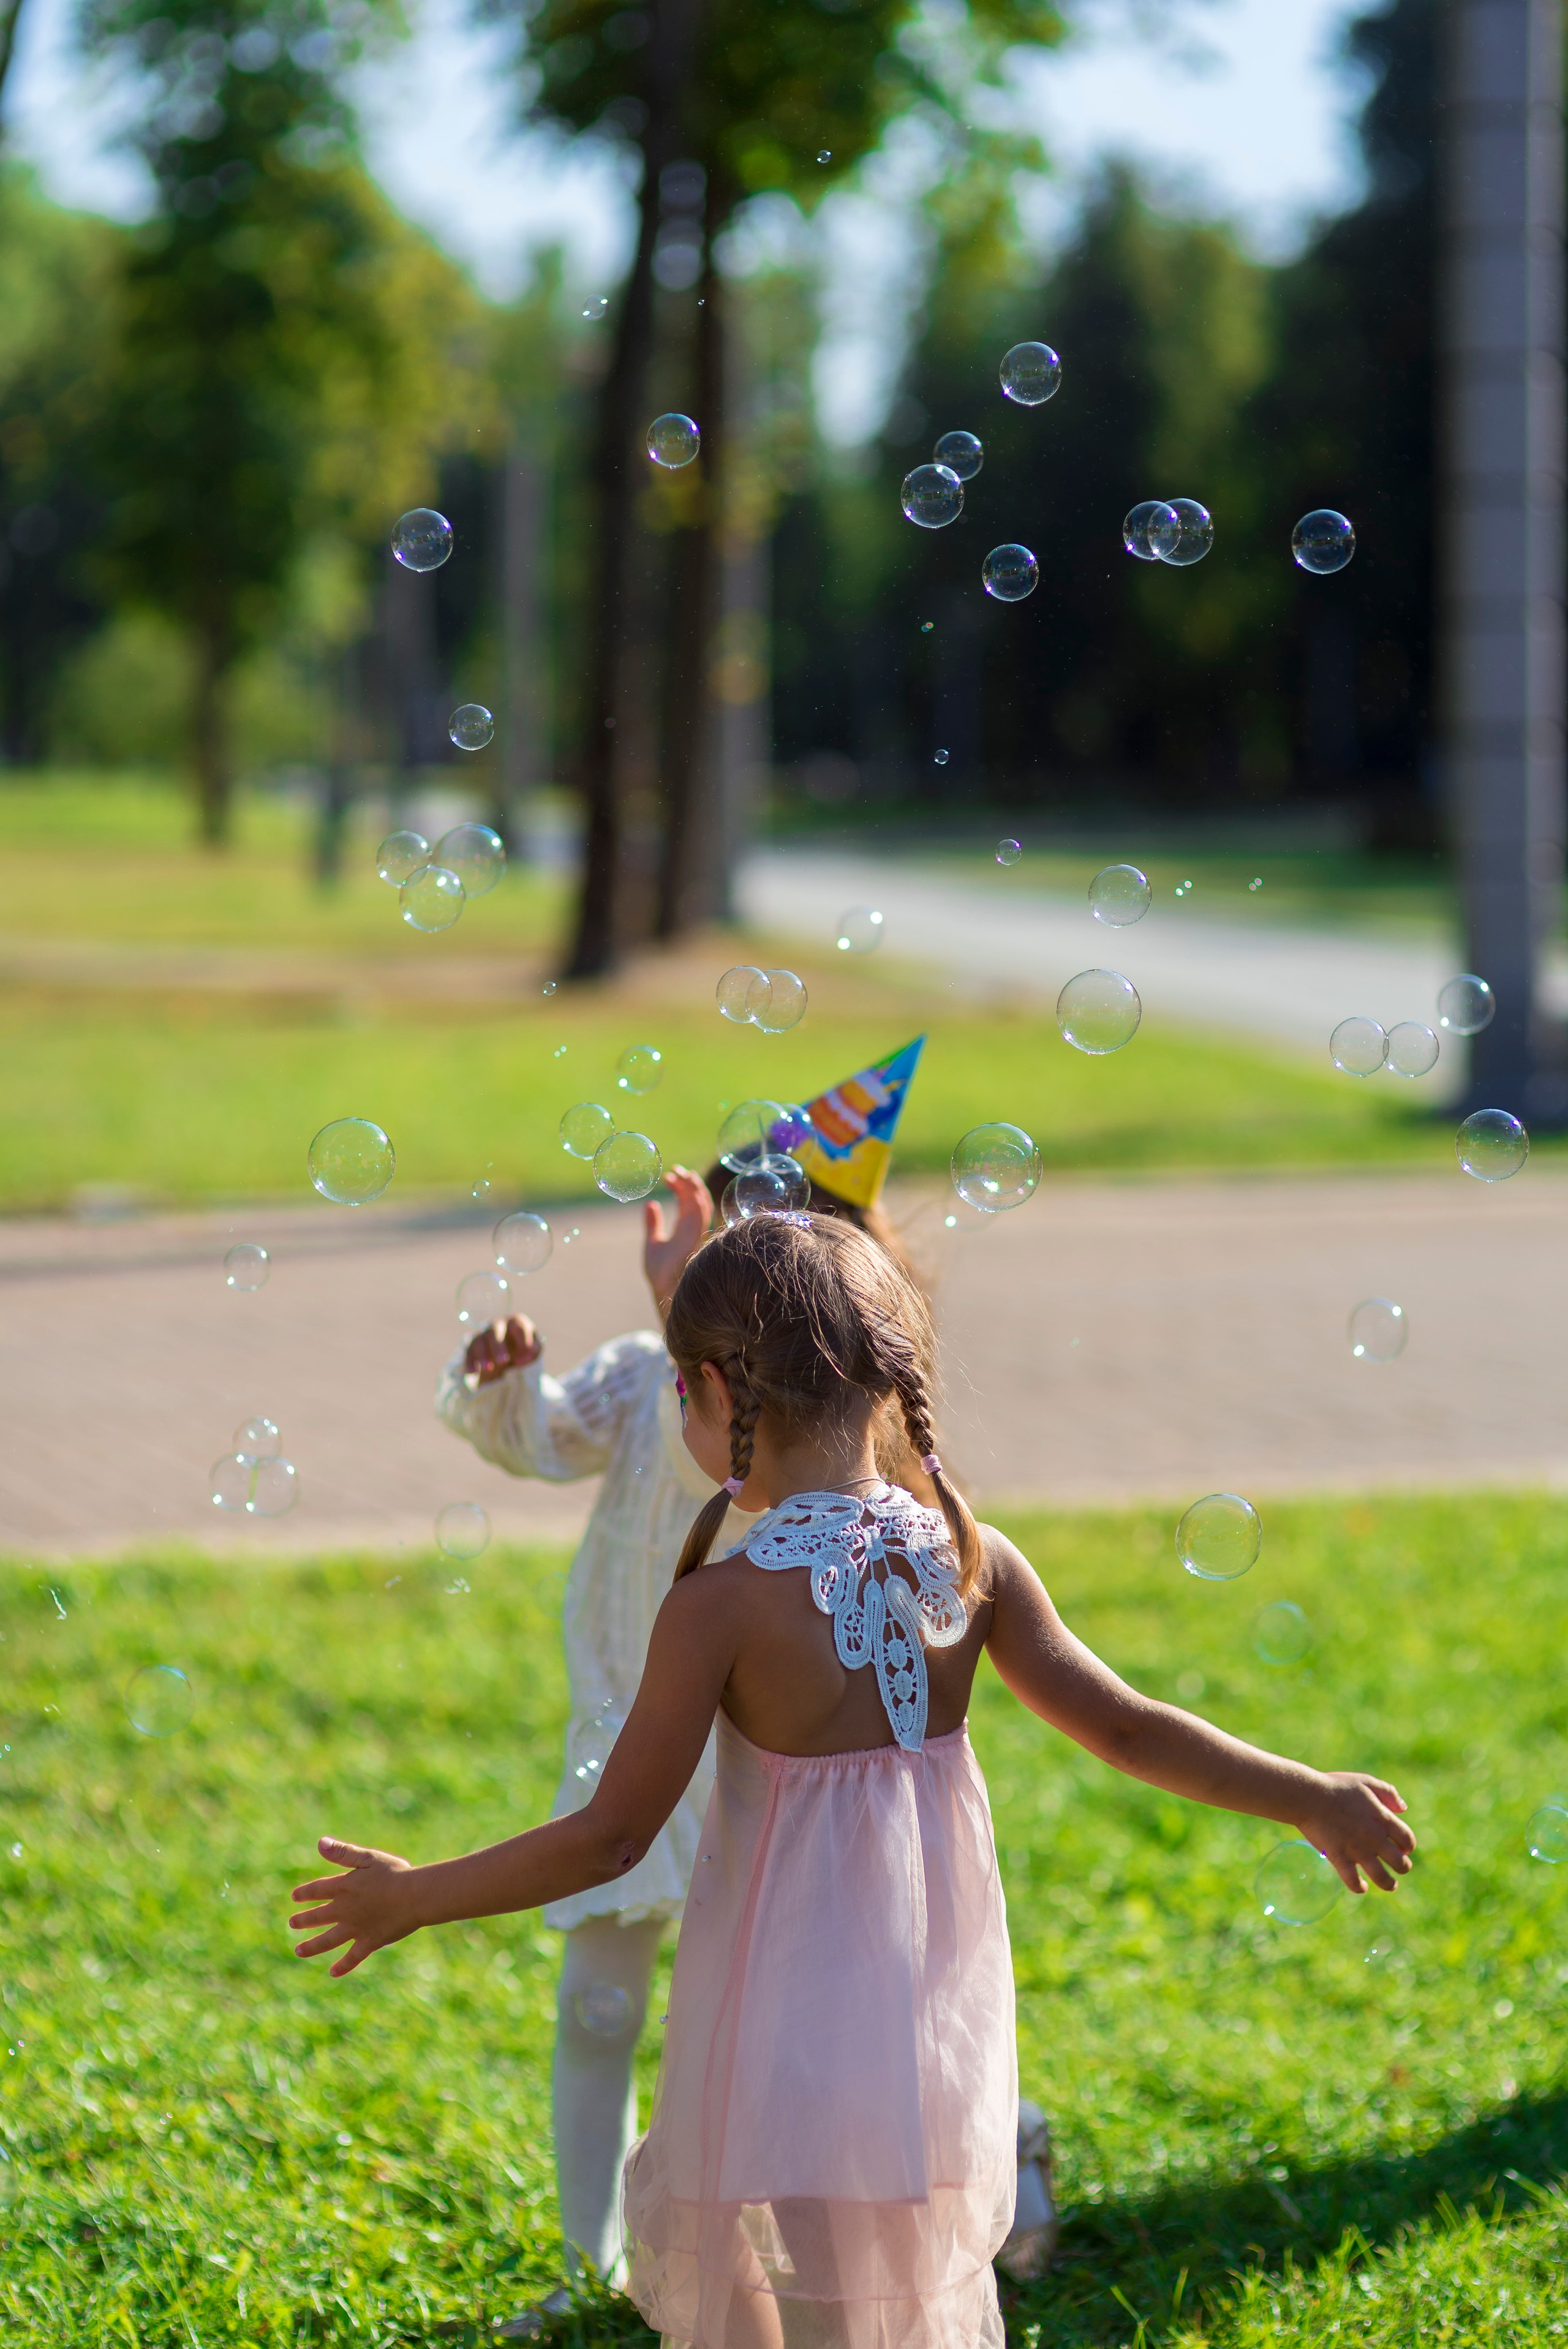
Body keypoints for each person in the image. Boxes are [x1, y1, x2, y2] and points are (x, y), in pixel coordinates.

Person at [298, 1214, 1416, 2349]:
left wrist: (415, 1896)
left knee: (794, 2294)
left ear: (715, 1398)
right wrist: (1309, 1796)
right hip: (926, 2010)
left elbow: (611, 1839)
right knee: (883, 2291)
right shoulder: (972, 1556)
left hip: (779, 2011)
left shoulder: (721, 1606)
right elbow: (1127, 1728)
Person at [434, 1043, 938, 2293]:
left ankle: (851, 2220)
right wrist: (505, 1387)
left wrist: (687, 1341)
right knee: (596, 2004)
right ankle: (584, 2259)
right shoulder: (650, 1377)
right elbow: (547, 1441)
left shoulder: (843, 1430)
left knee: (786, 2034)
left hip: (764, 1775)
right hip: (630, 1738)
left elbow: (742, 1489)